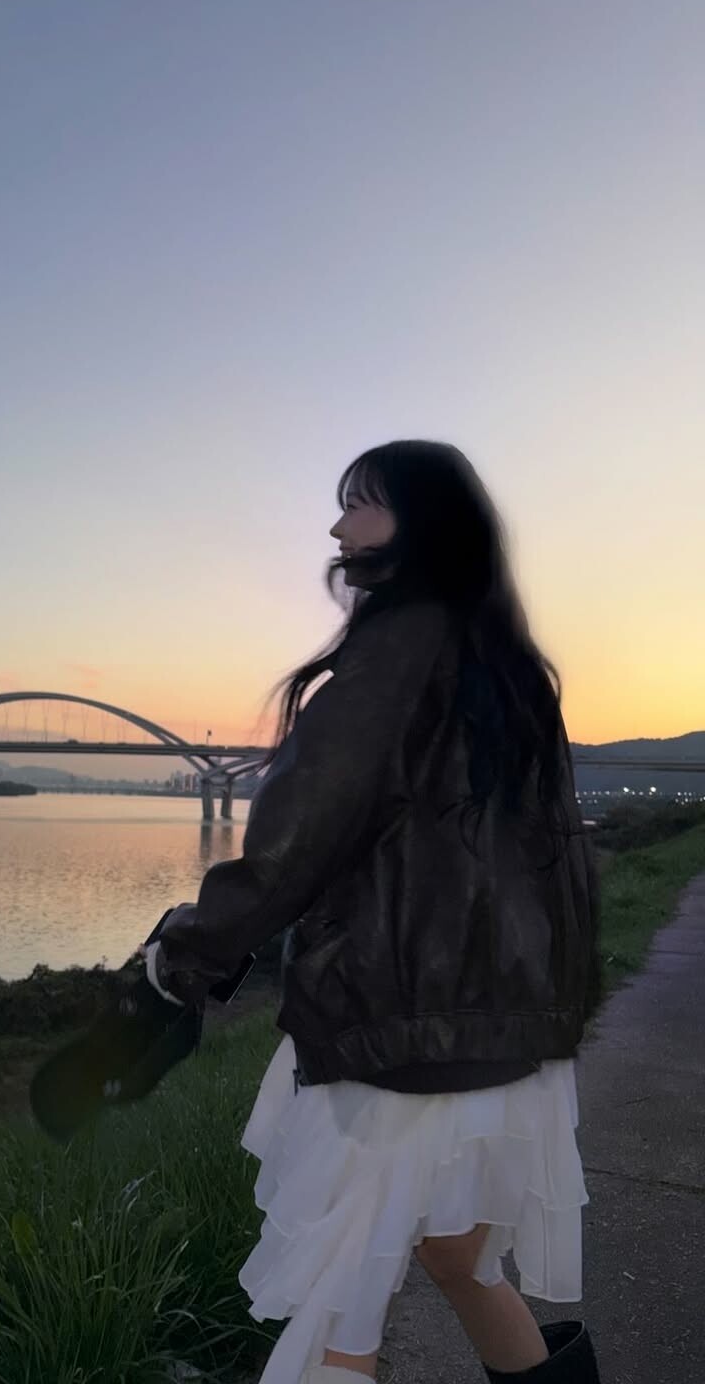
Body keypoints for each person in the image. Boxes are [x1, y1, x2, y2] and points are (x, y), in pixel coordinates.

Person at [139, 441, 603, 1384]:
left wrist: (184, 957)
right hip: (506, 1032)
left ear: (422, 521)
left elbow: (297, 839)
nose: (337, 526)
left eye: (360, 503)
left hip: (398, 1032)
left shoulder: (398, 647)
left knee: (339, 1295)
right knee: (459, 1258)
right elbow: (556, 860)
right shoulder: (511, 668)